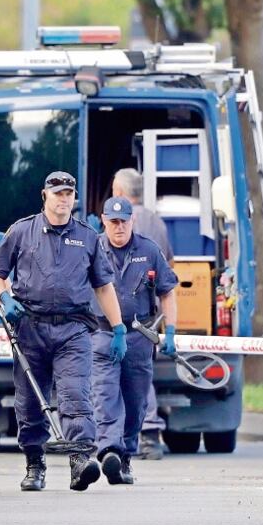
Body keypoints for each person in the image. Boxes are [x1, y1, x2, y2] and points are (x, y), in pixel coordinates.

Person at [0, 171, 125, 493]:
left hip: (74, 329)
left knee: (76, 395)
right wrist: (5, 298)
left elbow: (103, 287)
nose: (63, 198)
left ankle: (80, 462)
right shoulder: (22, 231)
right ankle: (35, 463)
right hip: (30, 327)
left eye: (68, 193)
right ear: (44, 195)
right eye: (58, 193)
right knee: (31, 402)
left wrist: (117, 328)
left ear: (74, 198)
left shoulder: (88, 237)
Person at [91, 197, 178, 485]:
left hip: (139, 336)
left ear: (132, 221)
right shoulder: (92, 248)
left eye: (123, 222)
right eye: (113, 222)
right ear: (104, 221)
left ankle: (125, 453)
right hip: (102, 334)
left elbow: (167, 291)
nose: (119, 227)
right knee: (104, 395)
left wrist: (172, 330)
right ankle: (109, 450)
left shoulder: (149, 250)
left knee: (136, 401)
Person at [112, 167, 173, 460]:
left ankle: (145, 433)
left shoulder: (118, 226)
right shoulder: (158, 222)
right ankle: (138, 435)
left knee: (128, 375)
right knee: (139, 375)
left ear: (121, 193)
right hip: (151, 313)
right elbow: (169, 267)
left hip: (126, 315)